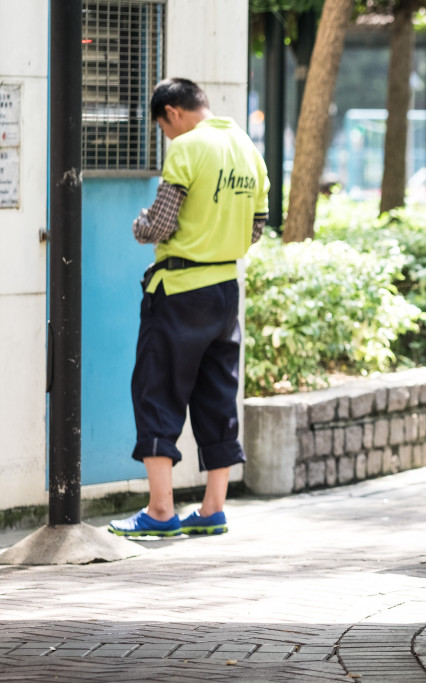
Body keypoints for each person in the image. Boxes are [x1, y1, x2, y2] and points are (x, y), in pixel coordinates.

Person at [108, 78, 269, 538]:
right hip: (224, 288)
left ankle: (160, 511)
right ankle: (212, 507)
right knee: (218, 393)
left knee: (156, 390)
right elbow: (257, 226)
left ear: (172, 112)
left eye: (164, 127)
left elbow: (160, 222)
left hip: (178, 289)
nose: (167, 136)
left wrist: (140, 225)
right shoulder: (247, 149)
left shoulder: (187, 148)